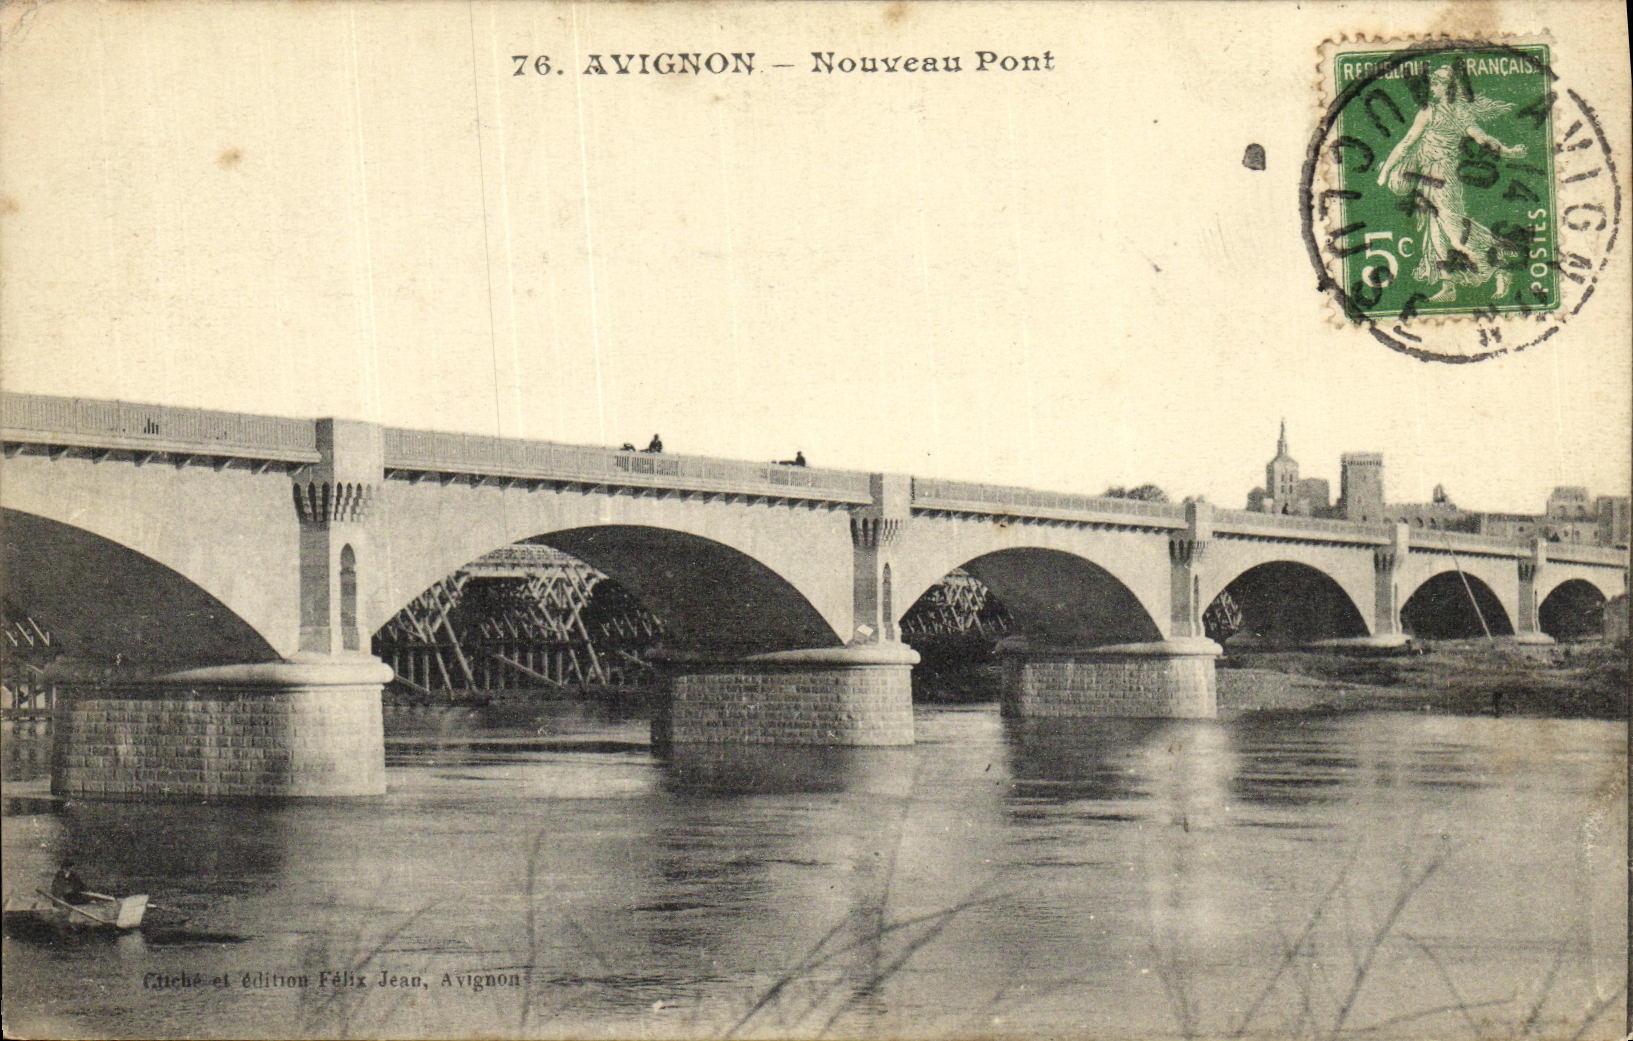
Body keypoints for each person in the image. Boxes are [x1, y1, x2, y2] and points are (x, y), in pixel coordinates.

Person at [1376, 64, 1527, 303]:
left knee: (1455, 232)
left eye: (1437, 84)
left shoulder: (1456, 113)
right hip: (1427, 176)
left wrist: (1508, 152)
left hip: (1444, 176)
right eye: (1433, 83)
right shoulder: (1429, 112)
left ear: (1448, 88)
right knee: (1436, 233)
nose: (1432, 88)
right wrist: (1386, 170)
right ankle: (1448, 287)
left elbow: (1483, 139)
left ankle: (1499, 268)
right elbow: (1407, 144)